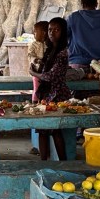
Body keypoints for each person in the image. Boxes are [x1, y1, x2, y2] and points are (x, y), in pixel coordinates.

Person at [29, 17, 73, 161]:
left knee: (55, 131)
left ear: (63, 32)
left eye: (56, 30)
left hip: (56, 96)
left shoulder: (63, 52)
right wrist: (40, 63)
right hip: (46, 94)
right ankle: (44, 163)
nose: (52, 33)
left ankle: (62, 163)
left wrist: (34, 73)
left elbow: (50, 76)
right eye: (49, 30)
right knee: (42, 130)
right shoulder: (50, 49)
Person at [28, 20, 49, 101]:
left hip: (48, 72)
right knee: (37, 88)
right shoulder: (33, 45)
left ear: (43, 33)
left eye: (35, 32)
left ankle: (45, 102)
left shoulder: (49, 44)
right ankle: (35, 101)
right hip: (36, 71)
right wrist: (36, 60)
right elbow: (30, 55)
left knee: (47, 89)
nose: (34, 34)